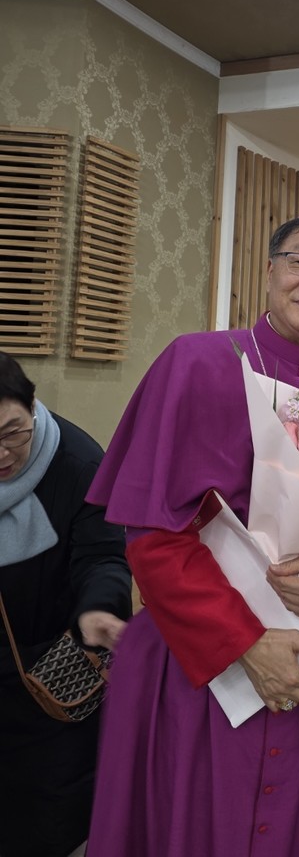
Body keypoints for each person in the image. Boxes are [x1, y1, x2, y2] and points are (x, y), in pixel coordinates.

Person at [85, 213, 299, 857]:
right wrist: (244, 644)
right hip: (198, 659)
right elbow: (153, 535)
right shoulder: (193, 362)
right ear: (270, 269)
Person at [0, 352, 131, 857]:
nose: (2, 454)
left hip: (50, 680)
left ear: (33, 406)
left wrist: (98, 608)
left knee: (45, 824)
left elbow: (104, 557)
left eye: (13, 432)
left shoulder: (79, 463)